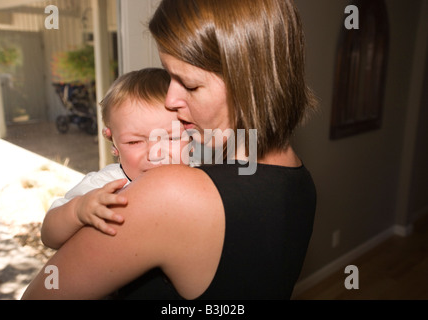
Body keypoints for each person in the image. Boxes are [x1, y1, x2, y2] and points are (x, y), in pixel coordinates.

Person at [22, 0, 317, 300]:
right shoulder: (299, 179)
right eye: (169, 75)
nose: (171, 99)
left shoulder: (173, 191)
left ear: (249, 81)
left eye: (189, 85)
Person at [41, 68, 189, 250]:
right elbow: (49, 236)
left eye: (172, 138)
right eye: (134, 142)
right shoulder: (107, 187)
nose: (155, 154)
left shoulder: (202, 175)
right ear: (114, 145)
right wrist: (78, 211)